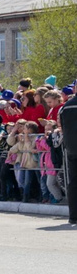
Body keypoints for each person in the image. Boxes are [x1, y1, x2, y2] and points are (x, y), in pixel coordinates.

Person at [59, 89, 77, 224]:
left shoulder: (66, 106)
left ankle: (73, 216)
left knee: (74, 182)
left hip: (71, 147)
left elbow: (62, 127)